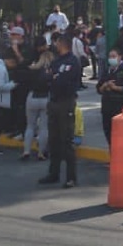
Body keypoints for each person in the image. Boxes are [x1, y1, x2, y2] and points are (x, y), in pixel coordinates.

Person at [40, 33, 82, 188]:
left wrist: (55, 78)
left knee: (67, 141)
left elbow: (65, 81)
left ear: (63, 44)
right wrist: (54, 77)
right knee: (54, 140)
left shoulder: (73, 61)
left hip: (67, 102)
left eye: (57, 42)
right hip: (54, 102)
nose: (55, 45)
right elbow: (46, 77)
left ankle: (71, 177)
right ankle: (53, 173)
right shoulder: (56, 62)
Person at [22, 39, 53, 161]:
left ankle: (26, 151)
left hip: (32, 97)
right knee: (44, 127)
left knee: (30, 126)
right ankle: (41, 152)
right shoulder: (51, 72)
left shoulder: (33, 70)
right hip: (46, 98)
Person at [97, 47, 123, 149]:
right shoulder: (107, 71)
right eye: (110, 57)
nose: (111, 59)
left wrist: (116, 88)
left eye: (114, 56)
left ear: (119, 57)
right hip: (107, 107)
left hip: (120, 107)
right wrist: (104, 86)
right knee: (109, 132)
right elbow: (99, 88)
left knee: (121, 134)